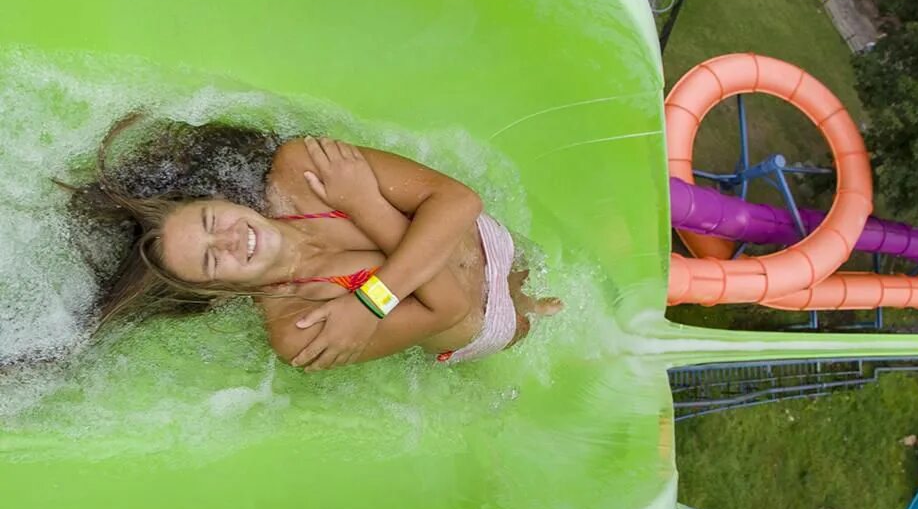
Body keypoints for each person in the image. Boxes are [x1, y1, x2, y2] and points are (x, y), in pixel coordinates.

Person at [61, 115, 560, 372]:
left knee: (537, 262)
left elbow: (461, 200)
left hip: (483, 238)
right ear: (216, 292)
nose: (230, 238)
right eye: (213, 259)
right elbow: (452, 307)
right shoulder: (297, 329)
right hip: (490, 319)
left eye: (213, 220)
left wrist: (369, 299)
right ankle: (530, 304)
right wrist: (366, 206)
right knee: (541, 317)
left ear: (221, 200)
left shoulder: (302, 171)